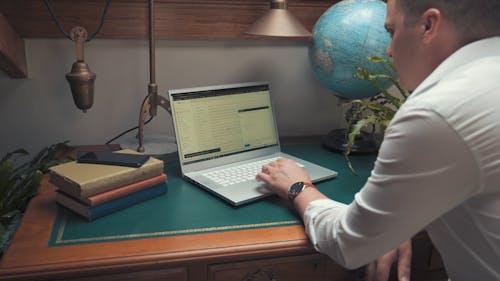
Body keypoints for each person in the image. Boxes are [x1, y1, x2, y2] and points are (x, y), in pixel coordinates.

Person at [256, 0, 500, 280]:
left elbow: (348, 243)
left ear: (428, 26)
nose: (388, 50)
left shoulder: (438, 111)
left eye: (391, 31)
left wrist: (299, 187)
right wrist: (394, 222)